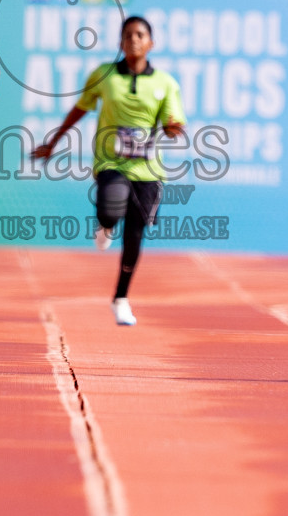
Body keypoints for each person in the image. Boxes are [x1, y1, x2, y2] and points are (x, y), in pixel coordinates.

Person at [33, 16, 186, 327]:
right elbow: (80, 109)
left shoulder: (166, 83)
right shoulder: (104, 76)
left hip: (147, 168)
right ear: (120, 42)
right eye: (127, 35)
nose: (133, 39)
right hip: (111, 161)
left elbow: (173, 122)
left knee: (135, 234)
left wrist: (172, 130)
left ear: (150, 43)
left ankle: (121, 298)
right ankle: (105, 225)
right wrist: (54, 141)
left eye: (140, 34)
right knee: (111, 212)